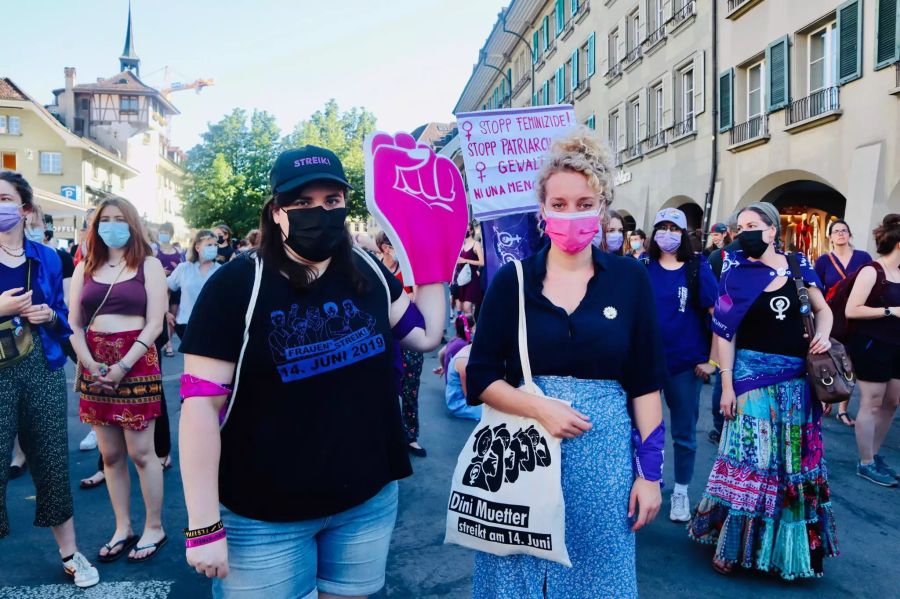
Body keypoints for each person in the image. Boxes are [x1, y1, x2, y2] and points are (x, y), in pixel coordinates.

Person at [177, 145, 445, 597]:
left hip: (366, 499)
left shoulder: (368, 271)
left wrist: (433, 252)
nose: (319, 212)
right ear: (276, 211)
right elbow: (201, 407)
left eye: (331, 201)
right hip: (264, 515)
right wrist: (202, 524)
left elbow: (423, 335)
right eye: (302, 202)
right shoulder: (236, 285)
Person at [467, 128, 665, 598]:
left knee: (596, 577)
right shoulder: (512, 282)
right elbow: (480, 376)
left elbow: (645, 383)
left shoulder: (630, 280)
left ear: (603, 208)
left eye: (584, 203)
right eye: (559, 205)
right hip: (520, 454)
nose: (571, 215)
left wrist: (650, 475)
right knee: (516, 577)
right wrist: (540, 409)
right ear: (542, 210)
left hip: (604, 462)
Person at [688, 201, 838, 579]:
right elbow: (725, 334)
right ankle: (731, 545)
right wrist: (726, 386)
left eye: (753, 225)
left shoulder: (799, 265)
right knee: (750, 463)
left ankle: (785, 553)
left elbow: (824, 310)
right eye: (741, 227)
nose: (746, 232)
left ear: (773, 231)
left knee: (791, 466)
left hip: (798, 385)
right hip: (751, 382)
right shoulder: (735, 273)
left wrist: (822, 334)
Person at [0, 171, 100, 587]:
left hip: (40, 364)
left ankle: (70, 552)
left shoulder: (47, 257)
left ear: (24, 208)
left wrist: (48, 317)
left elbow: (64, 316)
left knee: (52, 460)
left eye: (5, 199)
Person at [68, 197, 168, 562]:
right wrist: (90, 363)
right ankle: (123, 526)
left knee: (142, 454)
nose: (112, 225)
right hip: (94, 362)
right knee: (110, 455)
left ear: (132, 223)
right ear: (95, 226)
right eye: (104, 219)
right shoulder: (86, 267)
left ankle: (154, 527)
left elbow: (155, 322)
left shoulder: (149, 265)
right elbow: (74, 324)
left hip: (136, 361)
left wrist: (124, 364)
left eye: (119, 219)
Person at [644, 207, 718, 522]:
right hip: (645, 364)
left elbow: (718, 316)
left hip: (686, 365)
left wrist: (713, 360)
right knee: (644, 431)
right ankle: (647, 483)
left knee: (684, 433)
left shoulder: (697, 267)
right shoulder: (642, 267)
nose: (668, 234)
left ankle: (681, 493)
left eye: (674, 229)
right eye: (662, 227)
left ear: (684, 233)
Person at [845, 214, 900, 487]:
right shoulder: (872, 271)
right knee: (873, 402)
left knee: (892, 402)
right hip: (872, 343)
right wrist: (891, 311)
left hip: (897, 346)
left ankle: (875, 455)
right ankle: (865, 462)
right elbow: (852, 309)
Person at [814, 219, 873, 427]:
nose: (840, 234)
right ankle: (825, 397)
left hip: (857, 317)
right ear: (830, 237)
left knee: (851, 362)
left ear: (850, 235)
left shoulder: (863, 258)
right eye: (836, 231)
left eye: (844, 231)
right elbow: (817, 291)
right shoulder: (823, 261)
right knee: (827, 360)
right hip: (831, 318)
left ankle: (843, 409)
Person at [375, 231, 427, 456]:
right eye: (396, 244)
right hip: (383, 339)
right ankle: (385, 438)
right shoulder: (372, 269)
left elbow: (420, 299)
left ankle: (411, 437)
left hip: (409, 337)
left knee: (410, 389)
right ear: (386, 247)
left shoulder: (409, 270)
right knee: (382, 390)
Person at [166, 230, 220, 340]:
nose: (213, 248)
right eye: (209, 245)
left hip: (213, 325)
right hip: (186, 324)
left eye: (215, 245)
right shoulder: (184, 268)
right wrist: (165, 312)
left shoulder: (221, 270)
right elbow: (166, 288)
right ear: (197, 247)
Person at [435, 313, 481, 420]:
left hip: (450, 388)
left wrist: (445, 369)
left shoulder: (453, 340)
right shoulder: (463, 347)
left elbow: (440, 354)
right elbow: (468, 395)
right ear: (470, 329)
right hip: (458, 398)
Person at [454, 223, 484, 316]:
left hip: (471, 279)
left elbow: (482, 262)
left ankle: (473, 329)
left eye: (466, 229)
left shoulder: (476, 244)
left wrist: (465, 260)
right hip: (461, 279)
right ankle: (464, 329)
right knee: (460, 307)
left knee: (467, 308)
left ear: (471, 231)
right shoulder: (461, 245)